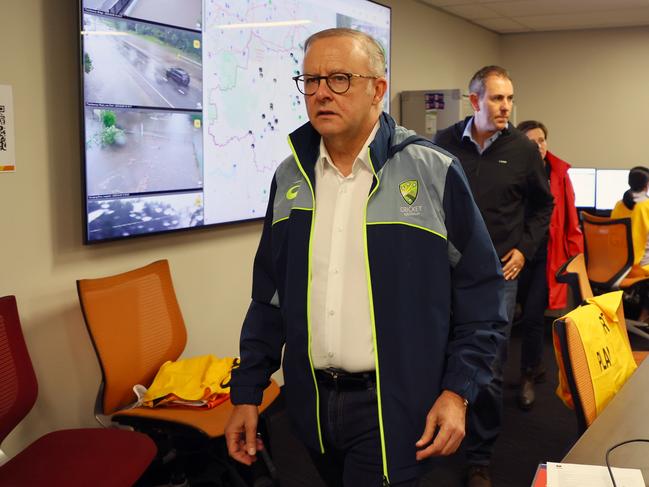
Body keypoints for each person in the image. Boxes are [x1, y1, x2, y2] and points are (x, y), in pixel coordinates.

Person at [224, 29, 507, 487]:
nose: (320, 93)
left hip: (394, 404)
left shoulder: (432, 171)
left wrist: (459, 390)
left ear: (377, 89)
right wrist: (248, 392)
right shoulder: (290, 177)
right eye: (311, 80)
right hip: (312, 404)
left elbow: (482, 292)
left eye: (338, 79)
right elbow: (269, 295)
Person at [433, 66, 554, 487]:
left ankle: (479, 457)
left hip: (498, 273)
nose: (506, 107)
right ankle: (440, 429)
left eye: (510, 99)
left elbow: (543, 207)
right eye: (498, 99)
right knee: (439, 355)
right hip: (446, 271)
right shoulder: (443, 144)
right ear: (475, 101)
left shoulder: (522, 149)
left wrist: (524, 249)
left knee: (488, 363)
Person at [515, 120, 583, 411]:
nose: (538, 146)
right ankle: (532, 366)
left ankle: (528, 374)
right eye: (531, 141)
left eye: (541, 140)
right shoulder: (512, 172)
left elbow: (570, 218)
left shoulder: (558, 173)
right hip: (515, 255)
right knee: (507, 318)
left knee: (531, 317)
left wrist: (575, 257)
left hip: (546, 256)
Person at [611, 166, 649, 320]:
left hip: (617, 267)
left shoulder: (619, 205)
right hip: (639, 267)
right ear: (646, 185)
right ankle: (644, 315)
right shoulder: (646, 206)